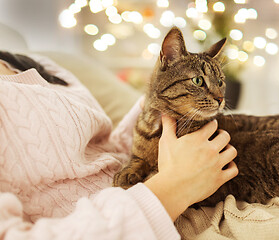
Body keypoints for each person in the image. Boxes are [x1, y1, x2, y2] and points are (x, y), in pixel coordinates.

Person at [0, 53, 238, 239]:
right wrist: (172, 188)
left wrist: (154, 113)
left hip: (174, 188)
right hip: (158, 215)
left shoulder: (41, 65)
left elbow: (100, 150)